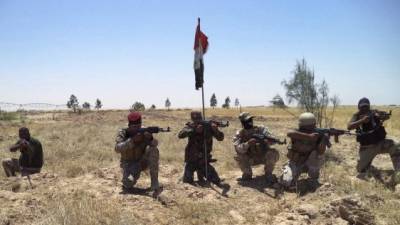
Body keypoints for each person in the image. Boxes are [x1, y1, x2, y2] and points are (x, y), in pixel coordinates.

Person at [347, 97, 400, 182]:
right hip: (366, 148)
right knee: (361, 170)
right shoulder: (356, 115)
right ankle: (367, 164)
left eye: (366, 106)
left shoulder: (374, 113)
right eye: (362, 107)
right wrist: (362, 121)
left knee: (396, 146)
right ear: (359, 107)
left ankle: (398, 171)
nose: (364, 108)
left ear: (369, 106)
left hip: (380, 144)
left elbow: (386, 117)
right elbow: (349, 126)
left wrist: (383, 117)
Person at [280, 112, 328, 191]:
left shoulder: (317, 135)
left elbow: (321, 152)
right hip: (295, 163)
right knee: (286, 182)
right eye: (307, 127)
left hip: (309, 164)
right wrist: (309, 137)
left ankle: (313, 179)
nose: (311, 128)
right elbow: (290, 133)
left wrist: (323, 140)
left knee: (316, 154)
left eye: (312, 126)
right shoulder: (297, 132)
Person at [115, 112, 160, 194]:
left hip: (142, 162)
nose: (137, 129)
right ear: (129, 125)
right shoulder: (123, 132)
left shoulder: (144, 131)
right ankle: (129, 179)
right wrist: (131, 141)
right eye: (134, 127)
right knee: (128, 183)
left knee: (153, 149)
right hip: (129, 165)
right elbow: (117, 148)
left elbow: (155, 144)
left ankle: (155, 184)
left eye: (138, 126)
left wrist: (150, 139)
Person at [178, 111, 227, 187]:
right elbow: (180, 135)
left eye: (198, 118)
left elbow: (220, 138)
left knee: (215, 179)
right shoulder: (191, 126)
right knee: (187, 181)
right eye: (195, 119)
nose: (197, 120)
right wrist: (194, 130)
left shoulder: (208, 126)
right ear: (192, 119)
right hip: (192, 159)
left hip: (204, 159)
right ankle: (197, 175)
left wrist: (216, 130)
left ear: (201, 117)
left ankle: (203, 175)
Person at [233, 112, 280, 185]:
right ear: (242, 122)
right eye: (247, 121)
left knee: (273, 152)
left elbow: (272, 139)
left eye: (250, 120)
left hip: (263, 156)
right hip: (250, 159)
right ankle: (247, 174)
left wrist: (267, 141)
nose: (250, 122)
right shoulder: (240, 133)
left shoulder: (261, 129)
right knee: (239, 155)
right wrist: (248, 144)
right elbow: (238, 148)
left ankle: (268, 174)